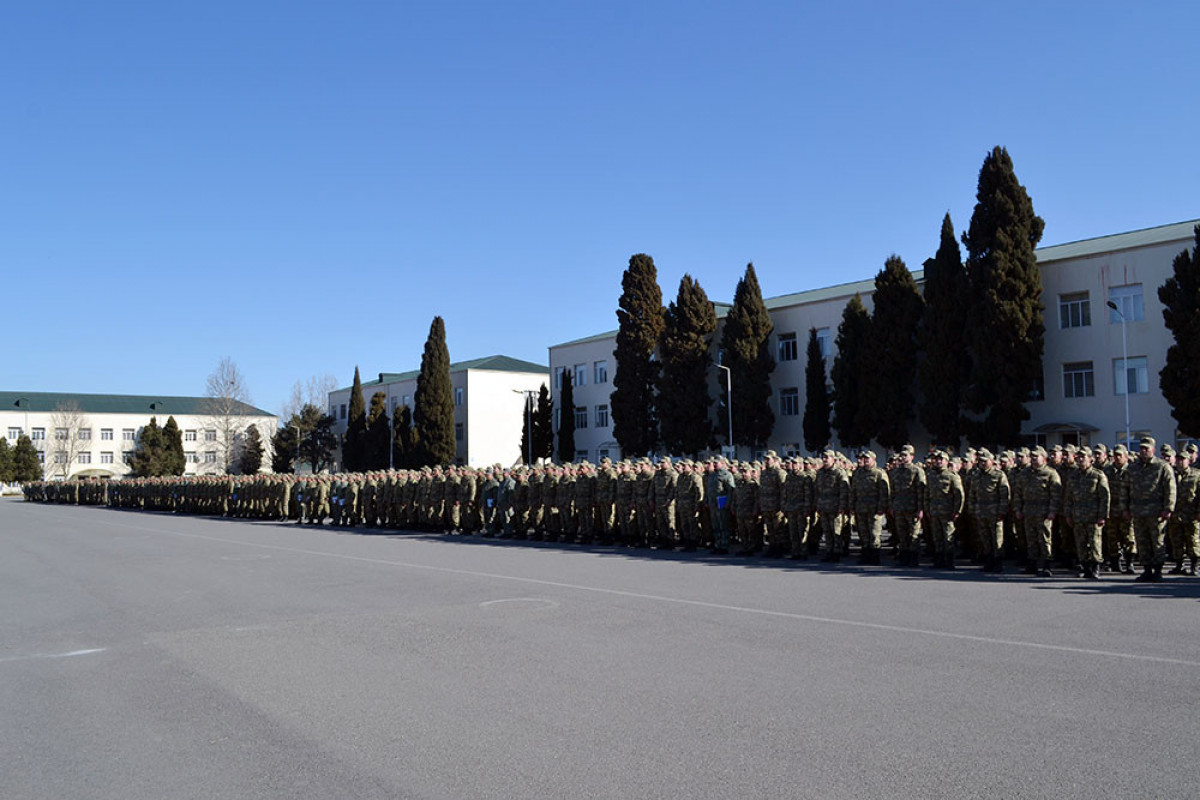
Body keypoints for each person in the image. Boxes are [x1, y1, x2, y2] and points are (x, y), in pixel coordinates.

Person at [1123, 437, 1176, 582]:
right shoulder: (1132, 468)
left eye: (1146, 448)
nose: (1143, 451)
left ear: (1153, 449)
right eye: (1141, 448)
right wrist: (1125, 509)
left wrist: (1168, 508)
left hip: (1156, 511)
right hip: (1138, 511)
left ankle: (1158, 571)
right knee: (1142, 541)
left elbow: (1170, 489)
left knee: (1157, 541)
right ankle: (1146, 569)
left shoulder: (1162, 466)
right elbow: (1125, 489)